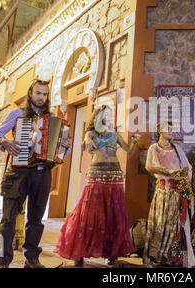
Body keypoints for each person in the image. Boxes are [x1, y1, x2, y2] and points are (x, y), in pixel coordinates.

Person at [0, 79, 72, 268]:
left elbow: (59, 153)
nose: (41, 97)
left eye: (44, 94)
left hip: (42, 173)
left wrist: (65, 147)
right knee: (8, 219)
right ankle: (3, 260)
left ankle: (31, 258)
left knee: (36, 219)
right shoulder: (18, 114)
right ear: (30, 94)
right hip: (18, 173)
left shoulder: (52, 119)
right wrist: (4, 142)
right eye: (38, 93)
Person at [54, 104, 138, 267]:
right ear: (97, 117)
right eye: (103, 115)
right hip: (96, 175)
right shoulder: (92, 133)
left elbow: (128, 150)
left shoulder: (115, 134)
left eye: (109, 115)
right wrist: (87, 140)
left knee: (112, 214)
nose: (107, 117)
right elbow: (86, 140)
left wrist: (135, 142)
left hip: (114, 175)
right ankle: (79, 252)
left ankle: (110, 253)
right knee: (89, 213)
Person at [144, 121, 195, 268]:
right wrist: (168, 172)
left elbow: (187, 167)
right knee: (160, 223)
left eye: (173, 129)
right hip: (163, 192)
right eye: (168, 129)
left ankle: (174, 257)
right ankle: (156, 256)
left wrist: (184, 177)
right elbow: (149, 167)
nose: (171, 131)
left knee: (177, 226)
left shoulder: (177, 149)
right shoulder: (154, 149)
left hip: (177, 192)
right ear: (159, 130)